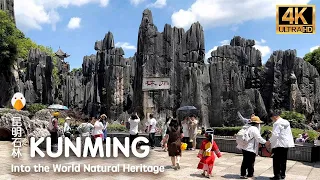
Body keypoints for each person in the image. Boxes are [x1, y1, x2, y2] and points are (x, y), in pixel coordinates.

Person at [269, 110, 295, 180]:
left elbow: (275, 135)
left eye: (271, 118)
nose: (271, 119)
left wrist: (269, 141)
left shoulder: (277, 123)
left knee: (276, 160)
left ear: (274, 116)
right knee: (283, 160)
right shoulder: (286, 122)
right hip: (285, 144)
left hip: (278, 144)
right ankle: (282, 174)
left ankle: (277, 176)